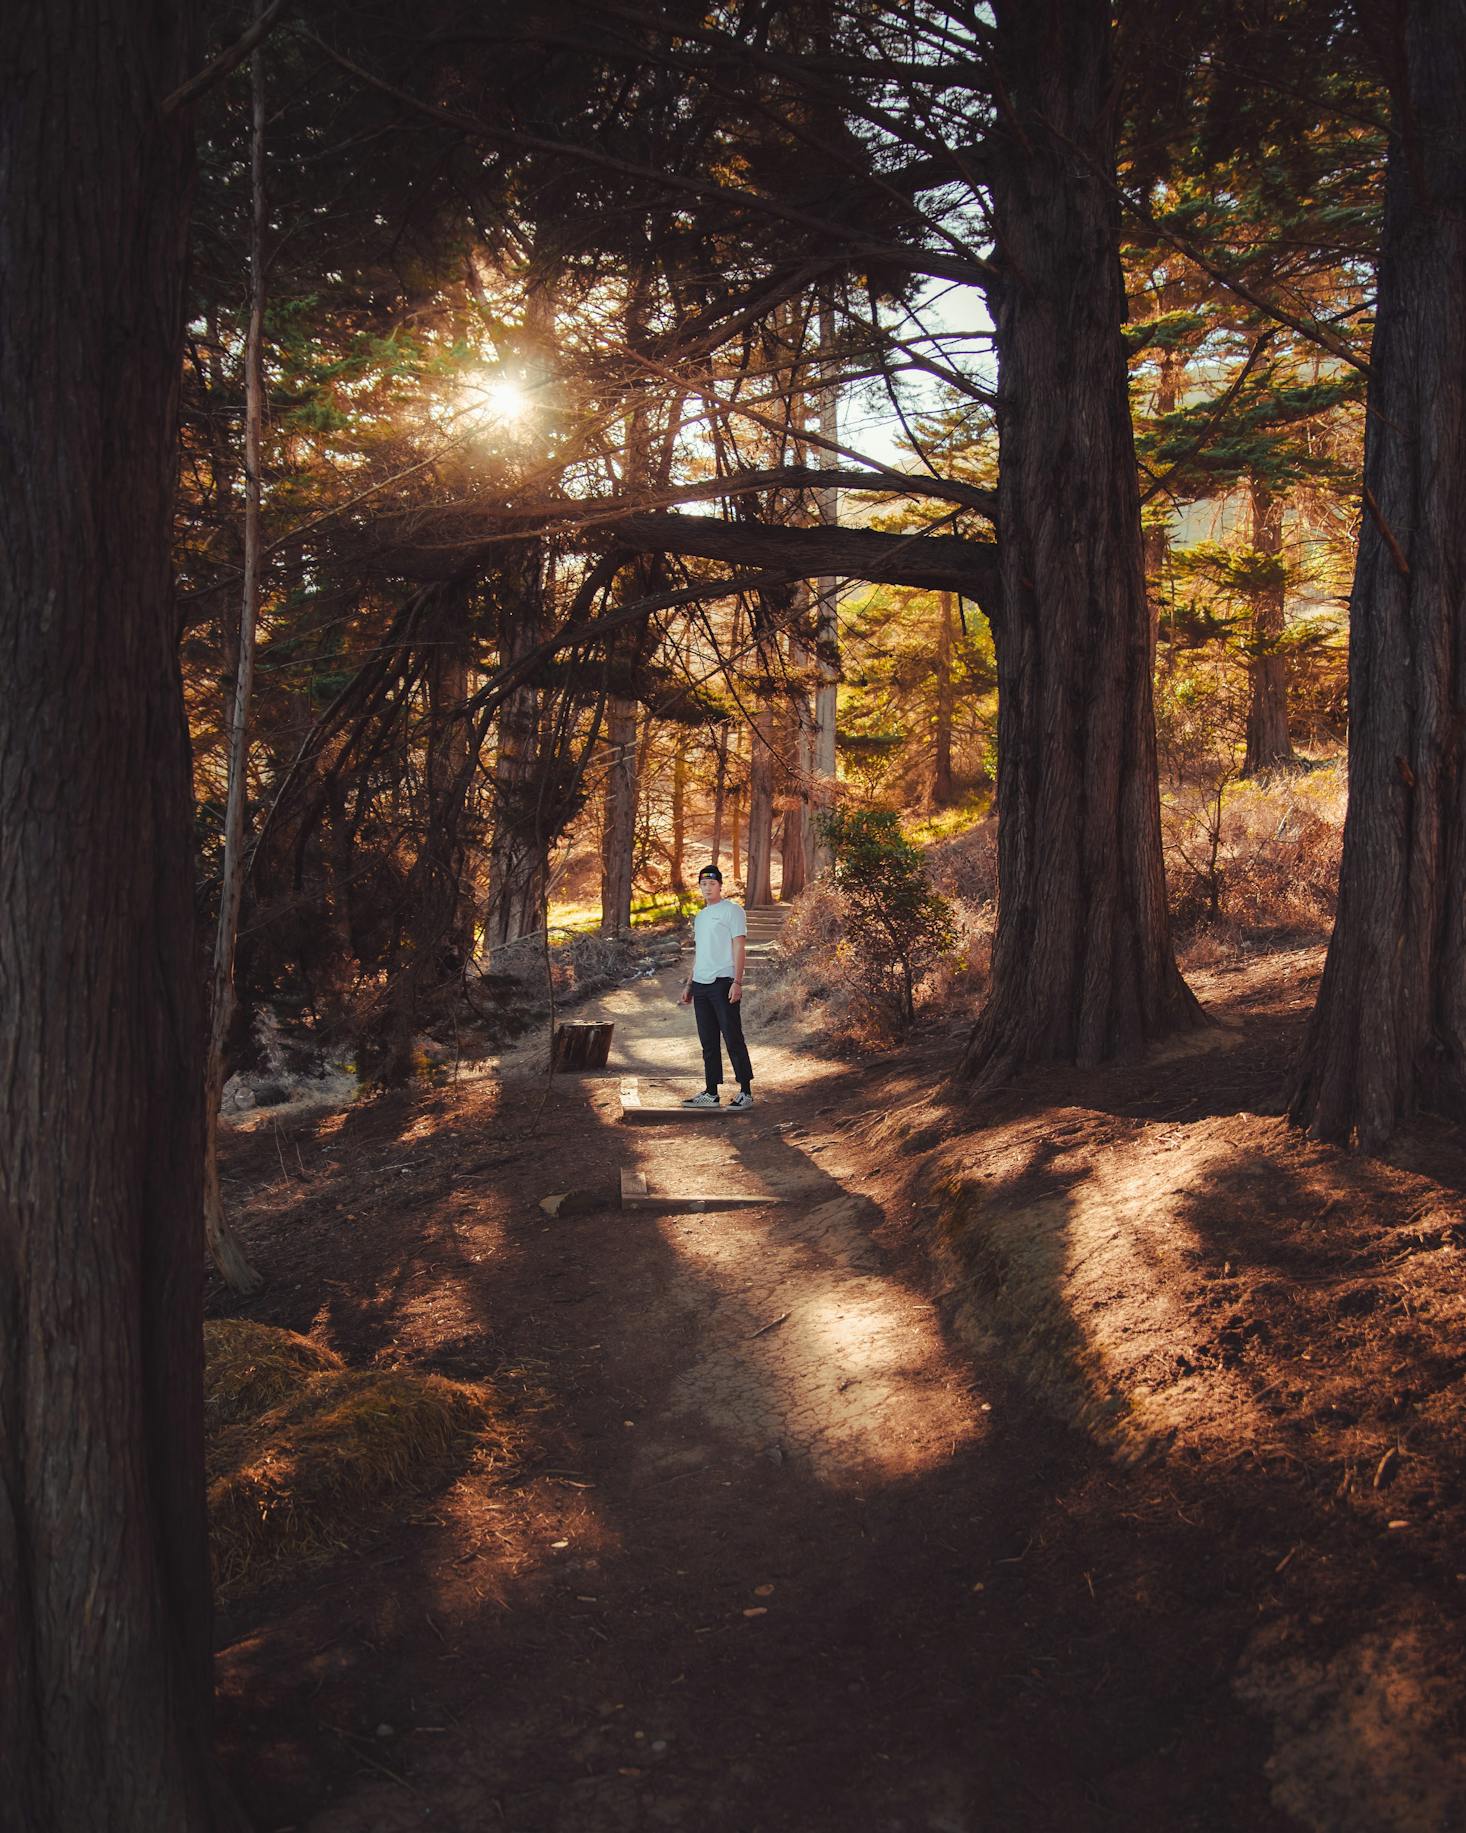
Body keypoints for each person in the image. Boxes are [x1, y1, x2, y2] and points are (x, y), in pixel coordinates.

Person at [678, 864, 754, 1107]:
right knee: (708, 1042)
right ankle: (711, 1092)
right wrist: (690, 985)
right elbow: (700, 953)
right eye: (703, 884)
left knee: (733, 1037)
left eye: (711, 883)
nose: (707, 888)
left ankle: (745, 1091)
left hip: (723, 983)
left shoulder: (732, 911)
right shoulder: (700, 917)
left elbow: (739, 946)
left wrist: (738, 981)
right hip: (701, 985)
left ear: (720, 885)